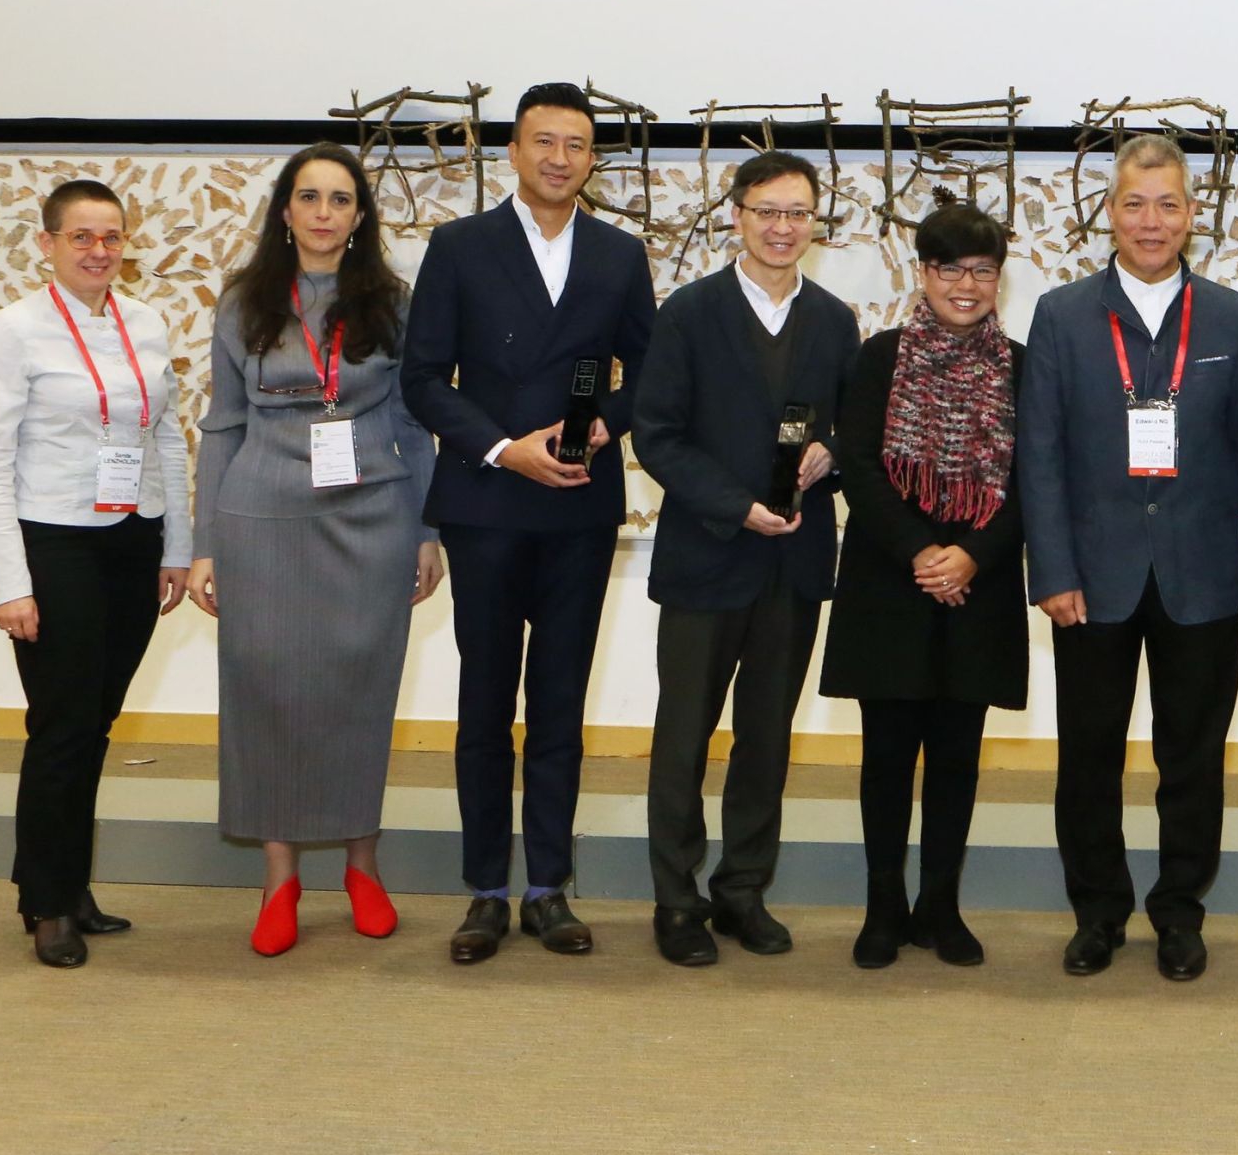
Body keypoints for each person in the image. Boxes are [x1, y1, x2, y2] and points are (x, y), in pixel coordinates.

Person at [401, 83, 655, 964]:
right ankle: (482, 891)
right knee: (482, 702)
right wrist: (507, 448)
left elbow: (650, 378)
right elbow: (424, 378)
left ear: (593, 158)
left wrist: (592, 433)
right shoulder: (459, 246)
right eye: (543, 142)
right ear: (513, 151)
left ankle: (547, 886)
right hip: (486, 504)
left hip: (580, 506)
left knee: (558, 701)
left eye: (577, 145)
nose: (559, 158)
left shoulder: (621, 255)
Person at [187, 144, 446, 958]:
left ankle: (363, 866)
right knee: (268, 695)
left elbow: (415, 423)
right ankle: (280, 879)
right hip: (261, 519)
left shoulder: (393, 302)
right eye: (310, 197)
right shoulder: (243, 302)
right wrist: (204, 548)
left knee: (356, 693)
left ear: (360, 216)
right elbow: (222, 426)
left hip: (374, 515)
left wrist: (430, 529)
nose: (325, 212)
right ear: (286, 211)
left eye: (341, 198)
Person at [1020, 135, 1238, 981]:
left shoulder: (1234, 318)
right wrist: (1051, 570)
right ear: (1111, 214)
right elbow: (1040, 454)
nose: (1151, 221)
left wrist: (1198, 509)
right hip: (1090, 577)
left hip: (1199, 573)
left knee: (1191, 759)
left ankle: (1179, 912)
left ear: (1192, 216)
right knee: (1088, 755)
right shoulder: (1060, 314)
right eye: (1135, 203)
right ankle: (1097, 912)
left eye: (1167, 204)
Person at [630, 150, 857, 967]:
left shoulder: (833, 320)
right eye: (767, 210)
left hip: (792, 564)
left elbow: (847, 431)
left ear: (814, 223)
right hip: (707, 553)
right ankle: (676, 899)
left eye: (797, 212)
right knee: (683, 735)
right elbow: (655, 433)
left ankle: (742, 891)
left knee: (766, 738)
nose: (782, 227)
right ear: (736, 214)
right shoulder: (689, 312)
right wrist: (735, 504)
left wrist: (829, 453)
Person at [0, 178, 192, 968]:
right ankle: (46, 904)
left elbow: (164, 441)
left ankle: (68, 882)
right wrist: (8, 584)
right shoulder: (13, 330)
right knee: (60, 725)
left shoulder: (146, 322)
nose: (101, 252)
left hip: (132, 540)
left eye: (113, 238)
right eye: (83, 237)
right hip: (52, 543)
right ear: (49, 244)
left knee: (95, 724)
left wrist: (176, 546)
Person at [822, 201, 1027, 970]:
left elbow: (1030, 481)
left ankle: (941, 905)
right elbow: (862, 467)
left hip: (981, 585)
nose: (965, 285)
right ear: (923, 273)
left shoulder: (1023, 365)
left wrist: (970, 554)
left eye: (981, 270)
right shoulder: (880, 357)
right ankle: (883, 906)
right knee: (885, 754)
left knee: (956, 756)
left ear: (998, 280)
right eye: (949, 268)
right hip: (890, 582)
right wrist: (922, 551)